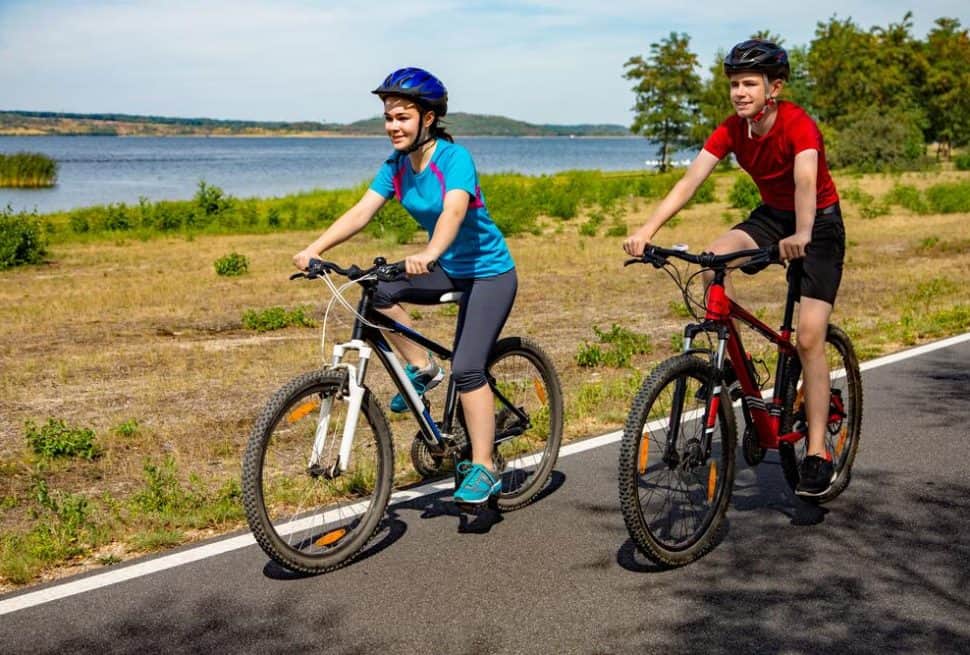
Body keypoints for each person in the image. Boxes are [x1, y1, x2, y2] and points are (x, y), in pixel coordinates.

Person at [622, 39, 845, 497]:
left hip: (818, 224)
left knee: (807, 337)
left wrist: (802, 234)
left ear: (774, 88)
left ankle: (819, 450)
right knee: (712, 260)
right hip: (771, 217)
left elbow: (806, 181)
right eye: (734, 84)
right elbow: (689, 182)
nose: (740, 92)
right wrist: (645, 231)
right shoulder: (731, 130)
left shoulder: (798, 125)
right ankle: (738, 374)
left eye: (749, 83)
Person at [294, 67, 517, 505]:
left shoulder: (454, 159)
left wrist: (431, 252)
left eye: (402, 117)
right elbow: (362, 211)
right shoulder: (395, 166)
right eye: (388, 117)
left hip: (489, 272)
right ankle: (423, 368)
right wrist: (313, 248)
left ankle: (485, 465)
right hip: (447, 266)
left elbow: (454, 211)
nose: (393, 126)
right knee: (375, 290)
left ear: (428, 119)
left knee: (469, 367)